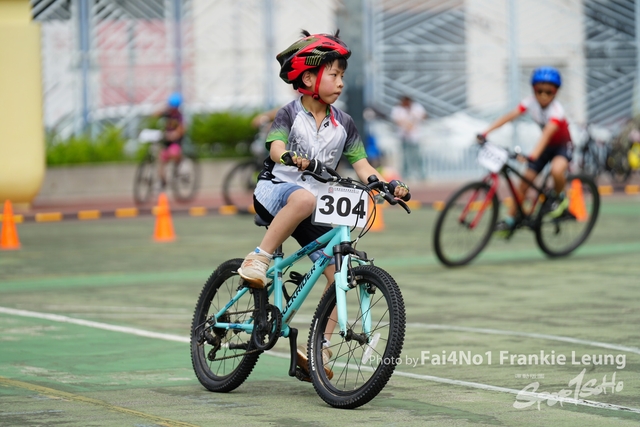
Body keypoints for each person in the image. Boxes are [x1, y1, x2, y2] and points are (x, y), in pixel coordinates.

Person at [237, 29, 409, 379]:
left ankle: (320, 349)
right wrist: (288, 156)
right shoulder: (289, 113)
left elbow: (362, 166)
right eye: (334, 74)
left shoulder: (344, 124)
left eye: (342, 76)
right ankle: (258, 258)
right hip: (275, 191)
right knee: (302, 198)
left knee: (337, 272)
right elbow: (275, 147)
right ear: (308, 78)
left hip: (312, 205)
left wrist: (387, 184)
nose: (341, 82)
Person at [479, 66, 573, 235]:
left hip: (561, 146)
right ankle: (510, 220)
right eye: (539, 91)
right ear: (533, 90)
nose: (543, 95)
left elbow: (546, 135)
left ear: (555, 92)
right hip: (545, 147)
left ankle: (560, 199)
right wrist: (486, 132)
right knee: (524, 183)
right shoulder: (530, 102)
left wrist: (532, 156)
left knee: (556, 170)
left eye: (549, 92)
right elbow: (509, 116)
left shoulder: (557, 111)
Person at [390, 95, 427, 180]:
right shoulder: (398, 109)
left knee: (417, 155)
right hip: (403, 135)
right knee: (405, 156)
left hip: (415, 135)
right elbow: (396, 120)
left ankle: (420, 173)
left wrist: (414, 119)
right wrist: (406, 125)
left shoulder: (416, 107)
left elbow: (424, 116)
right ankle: (406, 174)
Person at [156, 92, 185, 190]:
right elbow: (154, 115)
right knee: (161, 158)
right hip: (166, 141)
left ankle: (179, 165)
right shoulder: (166, 114)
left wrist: (174, 134)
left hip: (175, 142)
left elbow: (182, 129)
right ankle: (162, 180)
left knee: (173, 153)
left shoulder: (179, 117)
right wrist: (162, 109)